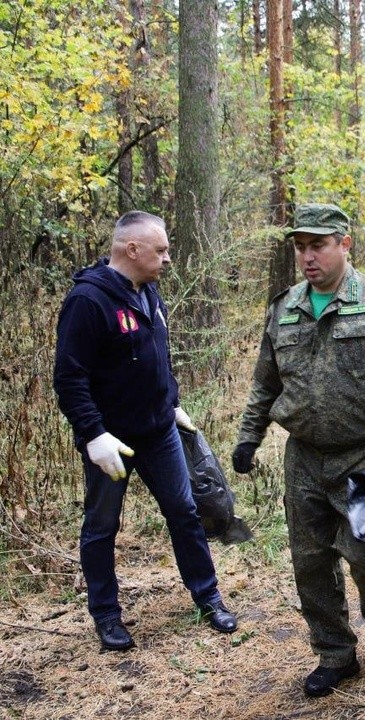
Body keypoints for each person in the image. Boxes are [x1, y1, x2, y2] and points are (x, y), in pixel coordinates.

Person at [231, 203, 365, 698]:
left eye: (317, 245)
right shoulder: (285, 307)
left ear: (345, 245)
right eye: (300, 246)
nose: (307, 256)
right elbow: (265, 381)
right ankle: (336, 654)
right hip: (303, 457)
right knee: (310, 560)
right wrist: (248, 436)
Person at [53, 211, 237, 652]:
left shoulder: (150, 292)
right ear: (131, 249)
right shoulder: (88, 302)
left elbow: (158, 356)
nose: (168, 259)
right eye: (161, 250)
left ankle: (208, 597)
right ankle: (107, 617)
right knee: (102, 527)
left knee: (185, 512)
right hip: (111, 442)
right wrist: (93, 434)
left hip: (159, 432)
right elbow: (69, 377)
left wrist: (172, 403)